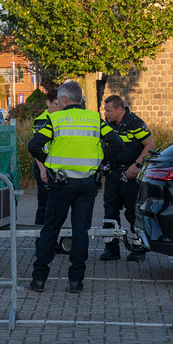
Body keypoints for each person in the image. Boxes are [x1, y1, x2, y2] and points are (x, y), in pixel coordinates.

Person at [28, 81, 124, 293]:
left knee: (50, 229)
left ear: (63, 99)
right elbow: (118, 143)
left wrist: (50, 162)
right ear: (79, 99)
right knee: (81, 230)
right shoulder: (95, 120)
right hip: (87, 183)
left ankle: (39, 279)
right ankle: (75, 281)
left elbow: (33, 146)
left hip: (61, 183)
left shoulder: (55, 119)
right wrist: (100, 161)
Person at [100, 95, 155, 263]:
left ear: (119, 109)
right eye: (105, 110)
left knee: (133, 212)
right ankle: (111, 248)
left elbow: (150, 145)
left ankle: (138, 248)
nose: (105, 113)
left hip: (130, 174)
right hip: (112, 174)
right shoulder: (108, 124)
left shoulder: (134, 123)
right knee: (110, 211)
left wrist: (136, 165)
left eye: (108, 110)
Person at [32, 89, 59, 226]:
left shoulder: (61, 118)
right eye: (56, 104)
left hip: (57, 166)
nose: (58, 107)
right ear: (48, 103)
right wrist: (43, 170)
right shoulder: (41, 120)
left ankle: (52, 240)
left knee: (56, 207)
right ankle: (40, 242)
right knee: (44, 205)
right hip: (43, 167)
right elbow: (36, 148)